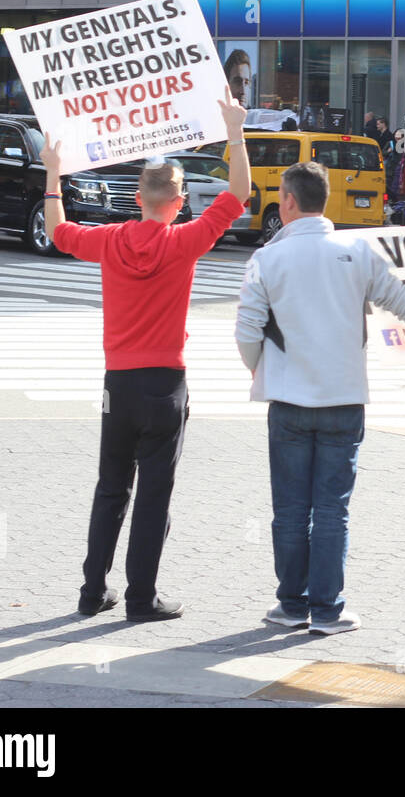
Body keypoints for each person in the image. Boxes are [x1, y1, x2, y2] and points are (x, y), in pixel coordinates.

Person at [235, 162, 405, 635]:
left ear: (288, 202)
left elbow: (248, 329)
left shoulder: (266, 260)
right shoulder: (358, 250)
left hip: (288, 402)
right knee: (332, 509)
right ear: (325, 199)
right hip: (345, 399)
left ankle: (291, 605)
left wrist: (259, 369)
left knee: (290, 509)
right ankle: (328, 611)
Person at [44, 88, 251, 623]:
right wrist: (233, 129)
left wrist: (53, 171)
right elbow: (240, 194)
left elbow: (58, 232)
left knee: (111, 486)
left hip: (118, 381)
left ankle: (92, 592)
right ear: (178, 203)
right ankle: (141, 598)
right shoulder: (185, 241)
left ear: (137, 197)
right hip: (165, 381)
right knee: (154, 493)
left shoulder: (110, 240)